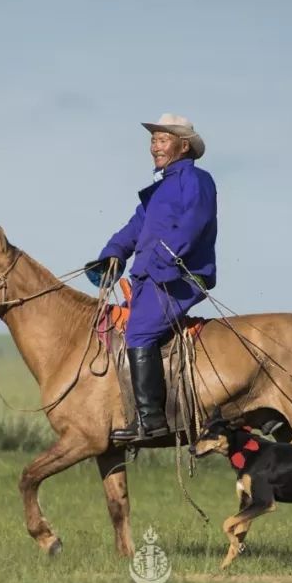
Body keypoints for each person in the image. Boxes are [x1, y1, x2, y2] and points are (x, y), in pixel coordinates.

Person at [85, 114, 218, 443]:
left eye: (162, 139)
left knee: (139, 331)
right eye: (153, 140)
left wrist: (166, 256)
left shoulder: (198, 180)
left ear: (183, 146)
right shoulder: (157, 192)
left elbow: (195, 222)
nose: (154, 146)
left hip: (181, 277)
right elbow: (134, 229)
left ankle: (151, 421)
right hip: (151, 277)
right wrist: (113, 254)